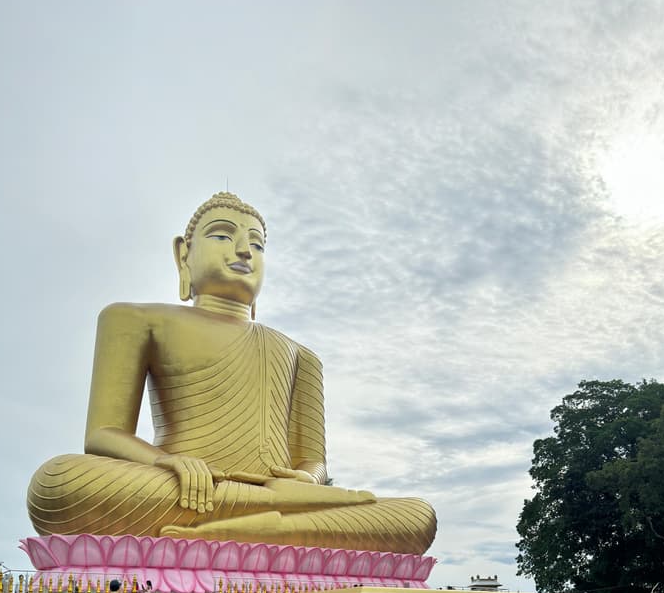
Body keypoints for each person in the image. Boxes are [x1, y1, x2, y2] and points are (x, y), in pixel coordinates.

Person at [27, 192, 436, 555]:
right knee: (58, 482)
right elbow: (102, 434)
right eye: (223, 236)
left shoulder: (299, 353)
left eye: (257, 243)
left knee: (417, 515)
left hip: (272, 495)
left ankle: (240, 527)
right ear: (183, 255)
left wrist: (307, 479)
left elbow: (315, 461)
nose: (244, 250)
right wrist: (170, 463)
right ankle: (272, 526)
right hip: (184, 490)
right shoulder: (135, 319)